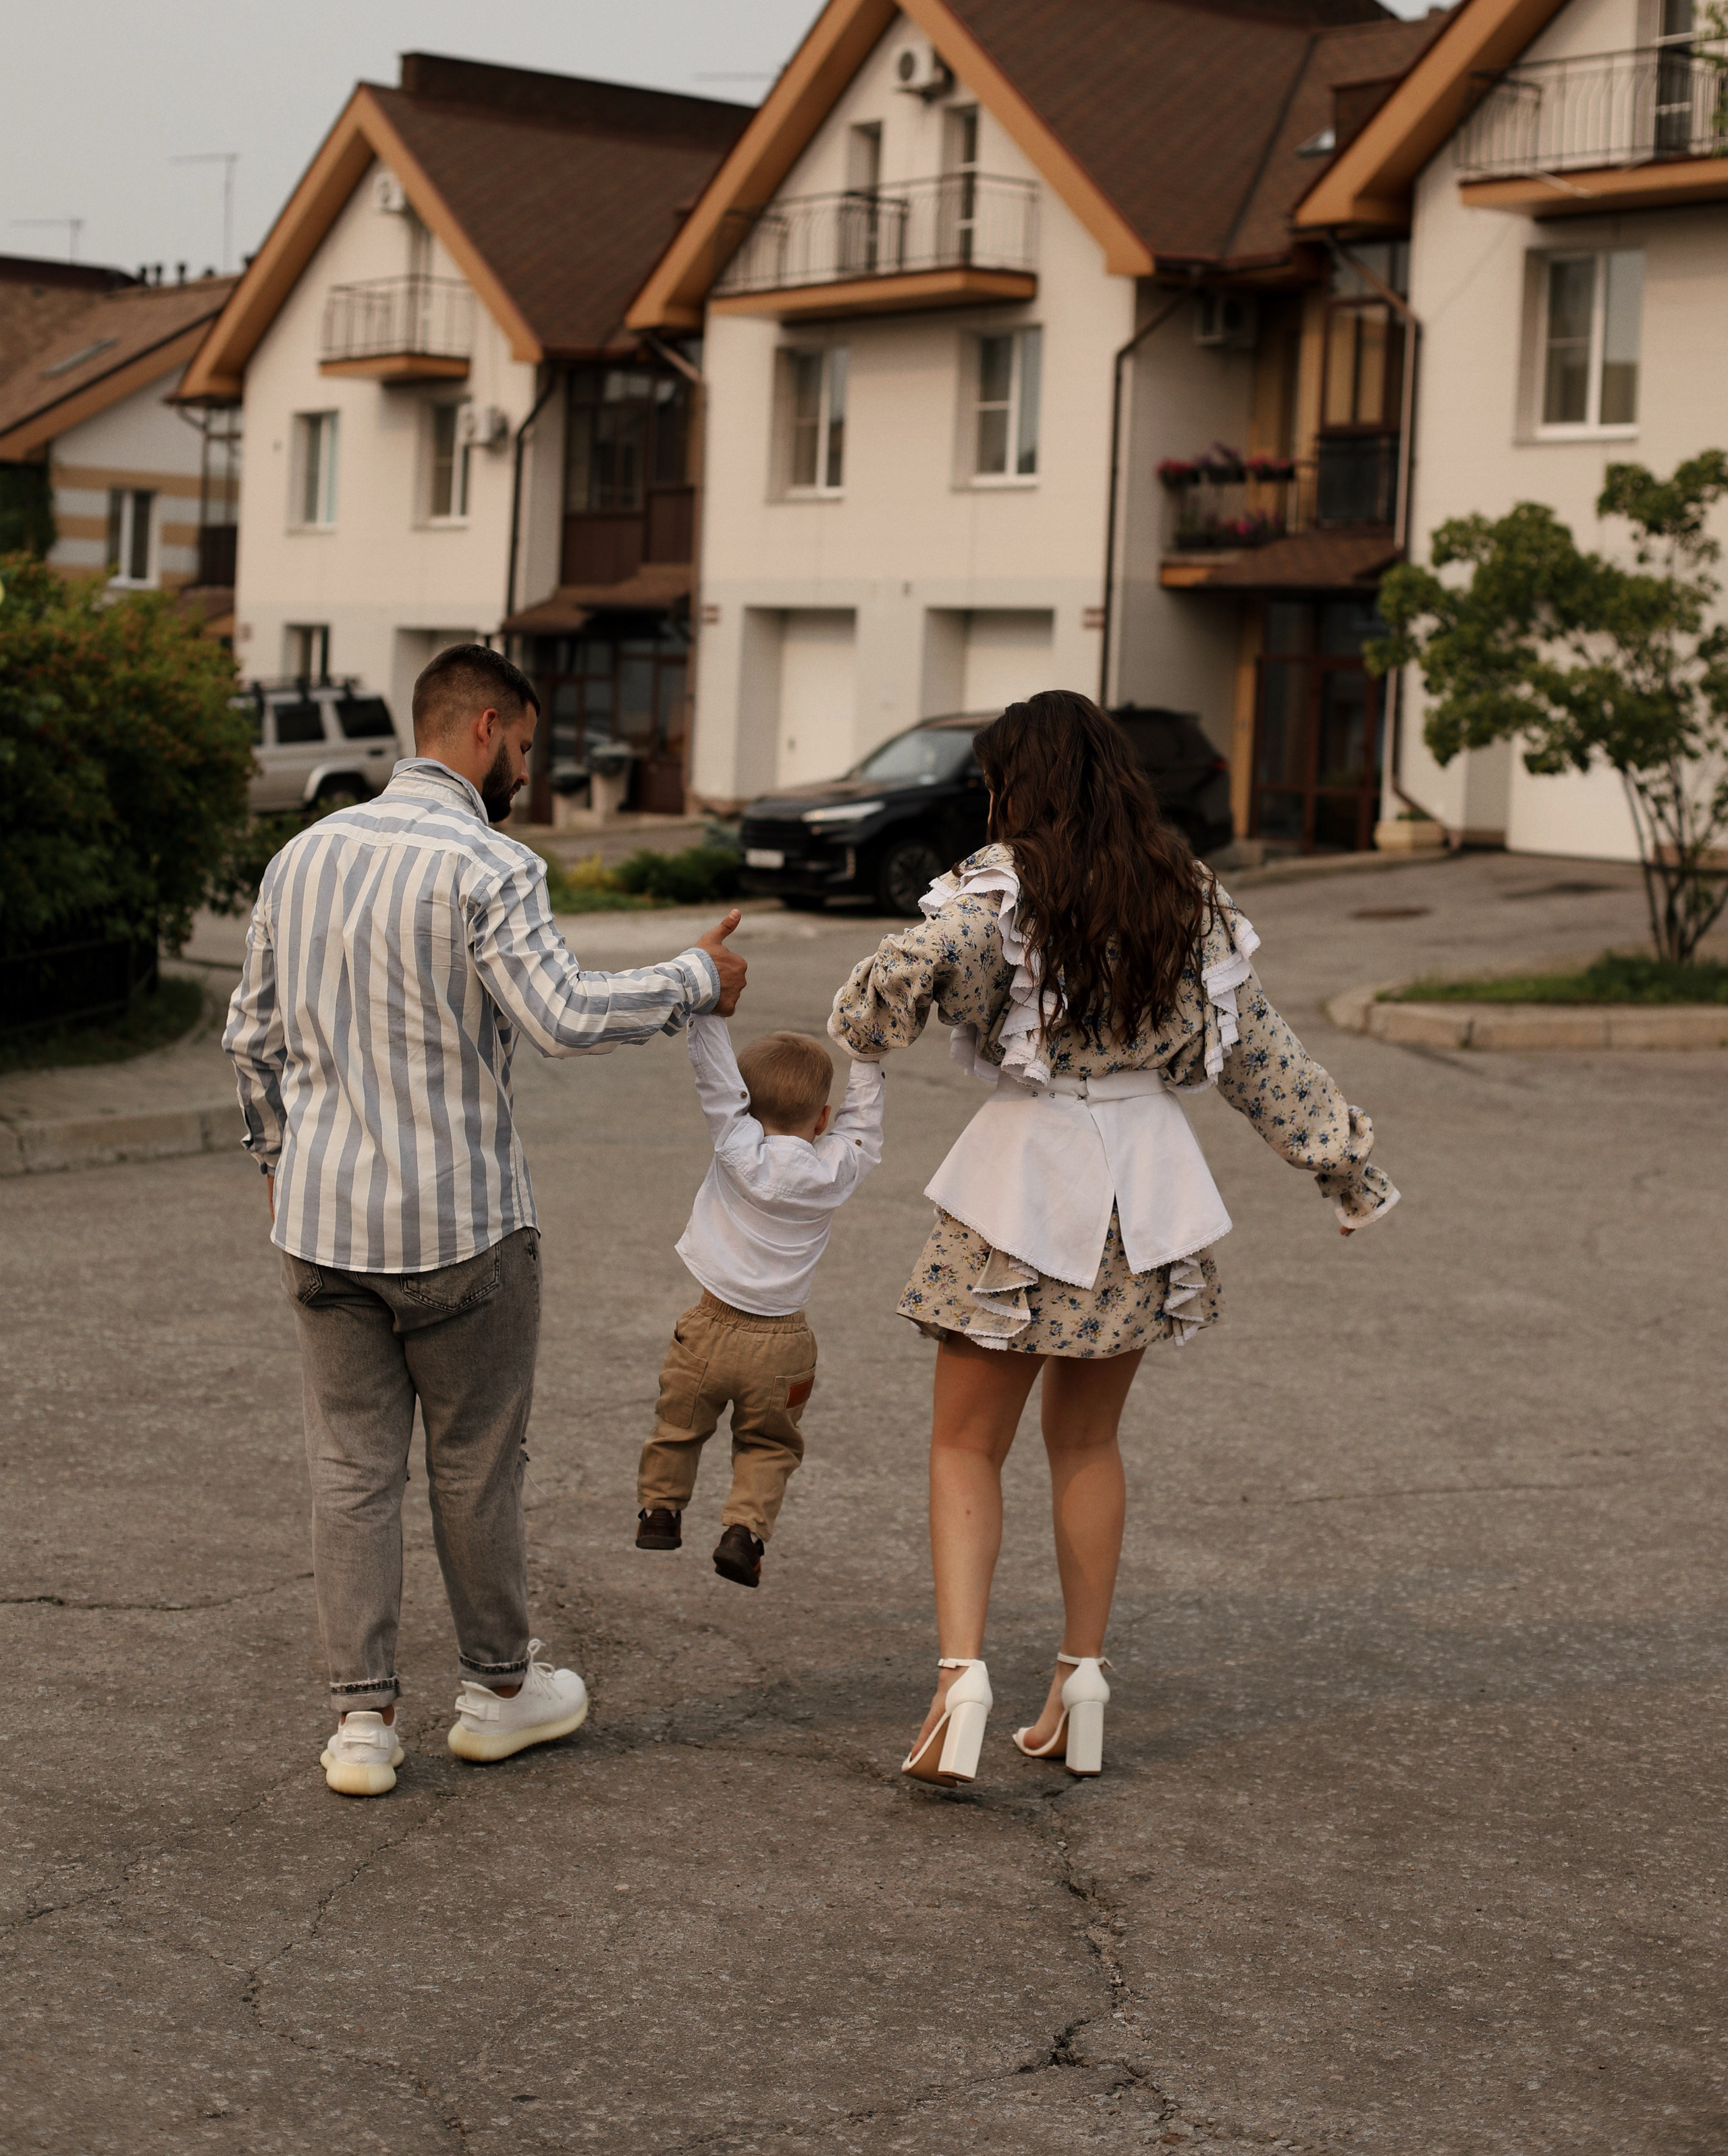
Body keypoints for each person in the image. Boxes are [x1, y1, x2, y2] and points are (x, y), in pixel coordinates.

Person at [828, 689, 1397, 1787]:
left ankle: (962, 1684)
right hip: (1144, 1195)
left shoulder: (996, 895)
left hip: (1022, 1185)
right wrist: (1344, 1164)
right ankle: (1081, 1679)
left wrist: (864, 1024)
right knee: (1087, 1447)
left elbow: (885, 997)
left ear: (1015, 787)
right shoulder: (1187, 900)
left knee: (964, 1447)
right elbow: (1259, 1056)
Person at [224, 643, 747, 1798]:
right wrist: (694, 979)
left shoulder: (301, 856)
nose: (527, 765)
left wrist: (279, 1160)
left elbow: (249, 1039)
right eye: (525, 743)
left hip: (320, 1225)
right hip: (460, 1227)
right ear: (486, 728)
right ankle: (500, 1691)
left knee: (350, 1467)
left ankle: (361, 1725)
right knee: (473, 1464)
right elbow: (558, 1017)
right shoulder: (490, 863)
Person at [636, 1020, 884, 1587]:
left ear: (746, 1111)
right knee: (769, 1445)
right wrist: (867, 1057)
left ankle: (661, 1510)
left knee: (679, 1424)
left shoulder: (736, 1146)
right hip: (785, 1346)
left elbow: (716, 1081)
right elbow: (863, 1127)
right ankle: (744, 1533)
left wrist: (709, 1013)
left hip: (708, 1328)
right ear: (823, 1120)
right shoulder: (833, 1170)